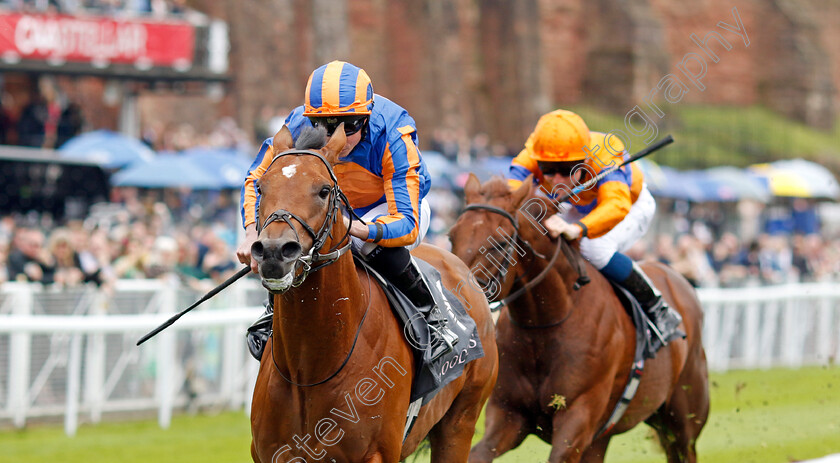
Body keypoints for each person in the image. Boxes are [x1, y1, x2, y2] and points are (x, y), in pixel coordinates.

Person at [237, 60, 457, 361]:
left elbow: (407, 224)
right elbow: (257, 179)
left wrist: (355, 227)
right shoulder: (297, 124)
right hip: (331, 202)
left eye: (349, 125)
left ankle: (430, 316)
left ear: (366, 118)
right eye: (323, 125)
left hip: (391, 207)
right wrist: (251, 231)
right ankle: (272, 311)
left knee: (362, 243)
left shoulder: (394, 131)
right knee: (294, 238)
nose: (335, 136)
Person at [507, 109, 684, 354]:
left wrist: (578, 229)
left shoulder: (605, 154)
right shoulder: (533, 153)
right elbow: (510, 194)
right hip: (577, 204)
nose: (557, 178)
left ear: (582, 160)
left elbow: (616, 205)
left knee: (593, 247)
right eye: (548, 169)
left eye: (567, 169)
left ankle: (658, 309)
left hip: (629, 205)